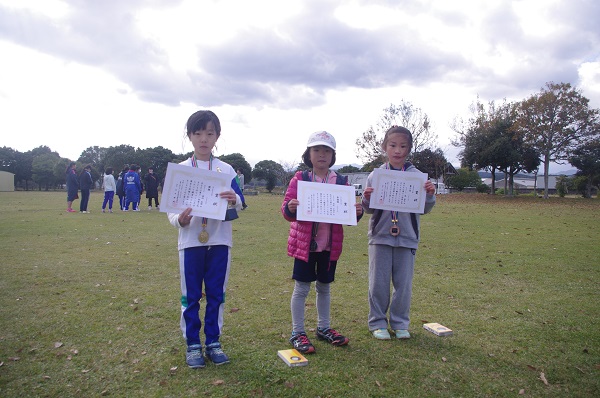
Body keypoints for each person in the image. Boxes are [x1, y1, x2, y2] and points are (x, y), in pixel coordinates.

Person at [167, 110, 242, 369]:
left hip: (220, 240)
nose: (203, 138)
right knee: (190, 296)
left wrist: (235, 199)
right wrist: (180, 220)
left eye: (209, 133)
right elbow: (171, 209)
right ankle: (192, 345)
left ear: (217, 136)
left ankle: (213, 342)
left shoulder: (226, 169)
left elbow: (240, 203)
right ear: (189, 136)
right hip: (190, 242)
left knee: (216, 295)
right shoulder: (181, 170)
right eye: (197, 133)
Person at [281, 131, 364, 354]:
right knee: (301, 288)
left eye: (327, 150)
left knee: (324, 288)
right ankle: (297, 331)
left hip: (329, 246)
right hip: (305, 245)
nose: (321, 154)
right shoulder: (301, 178)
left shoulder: (342, 181)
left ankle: (323, 328)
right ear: (308, 154)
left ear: (332, 155)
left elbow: (349, 216)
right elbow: (287, 208)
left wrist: (357, 212)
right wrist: (289, 208)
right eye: (317, 150)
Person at [361, 126, 436, 340]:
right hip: (380, 237)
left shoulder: (418, 177)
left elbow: (426, 208)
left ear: (409, 149)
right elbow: (368, 209)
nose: (397, 150)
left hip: (407, 238)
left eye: (403, 146)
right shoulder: (376, 175)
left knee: (403, 285)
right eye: (392, 145)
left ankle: (400, 323)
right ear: (385, 147)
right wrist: (366, 198)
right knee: (378, 283)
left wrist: (429, 195)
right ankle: (377, 323)